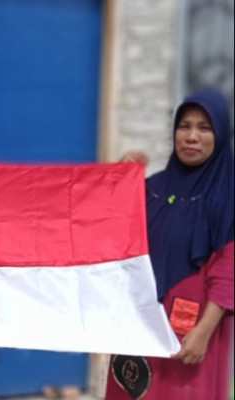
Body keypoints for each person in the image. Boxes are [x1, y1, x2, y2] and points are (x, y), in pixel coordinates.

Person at [106, 89, 234, 400]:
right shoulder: (151, 189)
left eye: (204, 128)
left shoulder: (227, 197)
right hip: (139, 319)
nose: (191, 137)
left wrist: (203, 332)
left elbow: (229, 271)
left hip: (193, 329)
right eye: (184, 126)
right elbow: (108, 234)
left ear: (220, 135)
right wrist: (119, 179)